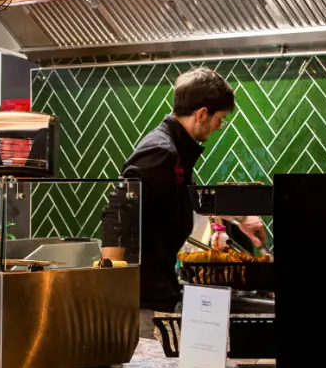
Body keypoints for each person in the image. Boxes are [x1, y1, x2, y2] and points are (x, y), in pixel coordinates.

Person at [100, 66, 263, 310]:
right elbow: (119, 210)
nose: (219, 126)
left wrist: (242, 217)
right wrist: (111, 291)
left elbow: (191, 200)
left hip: (157, 291)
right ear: (202, 114)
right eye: (219, 119)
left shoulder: (176, 151)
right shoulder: (161, 151)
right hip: (140, 300)